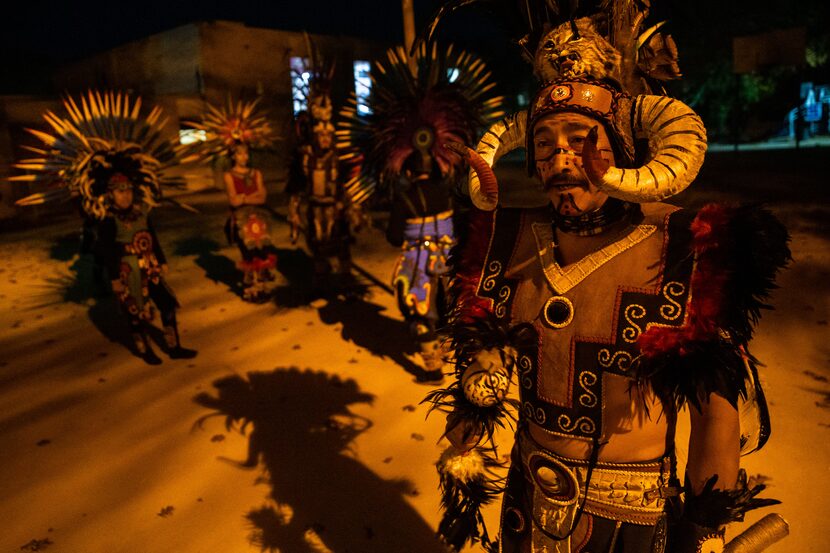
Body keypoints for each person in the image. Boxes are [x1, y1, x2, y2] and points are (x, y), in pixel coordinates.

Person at [423, 12, 790, 553]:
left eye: (580, 137)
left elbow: (715, 413)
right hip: (528, 501)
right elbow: (490, 348)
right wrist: (475, 408)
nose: (561, 157)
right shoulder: (507, 240)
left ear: (620, 145)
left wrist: (700, 525)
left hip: (632, 520)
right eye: (544, 141)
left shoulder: (686, 246)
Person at [337, 43, 505, 380]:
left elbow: (395, 236)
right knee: (447, 308)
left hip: (417, 263)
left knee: (418, 311)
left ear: (410, 171)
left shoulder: (405, 199)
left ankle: (431, 365)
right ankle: (448, 352)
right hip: (448, 258)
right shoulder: (446, 192)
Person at [97, 173, 197, 364]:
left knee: (167, 304)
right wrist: (115, 279)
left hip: (150, 268)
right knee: (135, 312)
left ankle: (174, 347)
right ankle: (145, 350)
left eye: (128, 191)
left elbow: (152, 237)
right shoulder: (108, 220)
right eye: (120, 192)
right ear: (111, 195)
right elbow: (107, 252)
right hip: (128, 272)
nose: (125, 196)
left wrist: (161, 260)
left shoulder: (142, 212)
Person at [223, 143, 278, 302]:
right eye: (240, 154)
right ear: (233, 156)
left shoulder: (256, 173)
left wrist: (244, 198)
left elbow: (262, 198)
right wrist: (252, 196)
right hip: (241, 219)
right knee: (248, 254)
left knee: (262, 252)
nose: (244, 157)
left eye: (246, 153)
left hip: (260, 218)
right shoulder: (229, 175)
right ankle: (251, 288)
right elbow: (234, 202)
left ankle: (262, 286)